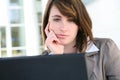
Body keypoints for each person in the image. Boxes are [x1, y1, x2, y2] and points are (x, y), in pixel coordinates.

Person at [41, 0, 120, 80]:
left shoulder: (106, 48)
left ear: (80, 23)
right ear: (48, 23)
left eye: (71, 20)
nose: (63, 28)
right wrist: (58, 59)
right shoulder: (42, 61)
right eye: (57, 19)